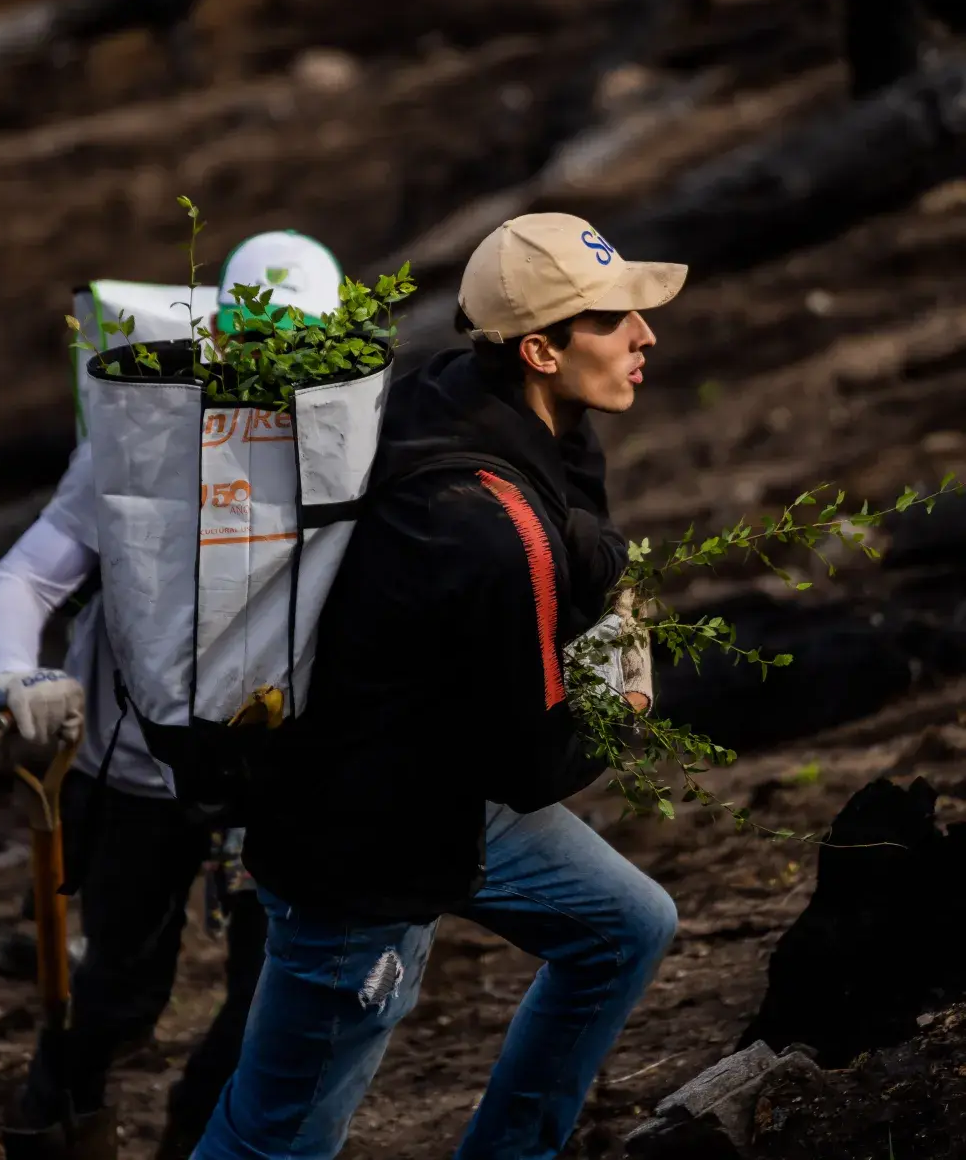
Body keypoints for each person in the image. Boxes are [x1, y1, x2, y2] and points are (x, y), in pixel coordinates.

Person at [195, 212, 687, 1160]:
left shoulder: (461, 393)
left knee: (627, 927)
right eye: (614, 316)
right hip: (361, 854)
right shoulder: (487, 530)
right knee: (276, 1138)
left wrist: (605, 573)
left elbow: (574, 525)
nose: (646, 333)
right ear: (540, 349)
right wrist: (622, 696)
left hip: (441, 788)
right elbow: (535, 764)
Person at [0, 229, 343, 1160]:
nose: (277, 372)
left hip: (275, 775)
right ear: (219, 337)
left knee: (268, 994)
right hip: (134, 768)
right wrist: (18, 675)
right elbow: (27, 577)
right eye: (258, 346)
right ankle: (55, 1112)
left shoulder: (354, 446)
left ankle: (196, 1133)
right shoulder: (139, 445)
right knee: (120, 993)